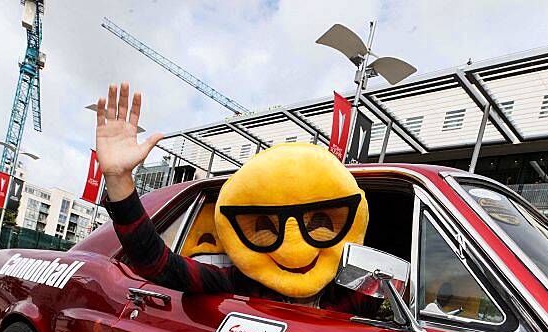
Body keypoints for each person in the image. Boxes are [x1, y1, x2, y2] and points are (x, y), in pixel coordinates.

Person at [95, 82, 378, 315]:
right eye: (267, 229)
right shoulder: (238, 283)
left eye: (317, 222)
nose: (295, 251)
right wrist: (119, 180)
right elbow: (158, 264)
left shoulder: (354, 295)